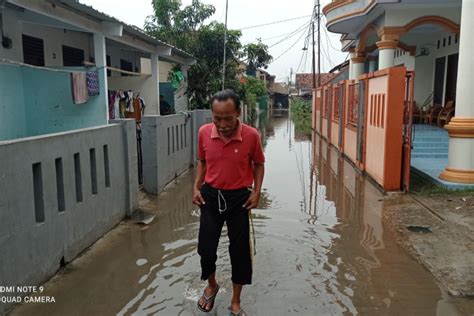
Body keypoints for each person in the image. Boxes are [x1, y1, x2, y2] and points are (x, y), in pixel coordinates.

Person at [193, 90, 265, 315]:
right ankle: (212, 285)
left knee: (240, 251)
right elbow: (202, 162)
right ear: (212, 115)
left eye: (228, 118)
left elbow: (259, 164)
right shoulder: (204, 132)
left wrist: (256, 191)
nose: (222, 124)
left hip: (239, 200)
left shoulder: (252, 135)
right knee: (206, 248)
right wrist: (196, 187)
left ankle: (235, 300)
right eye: (217, 119)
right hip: (210, 196)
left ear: (238, 113)